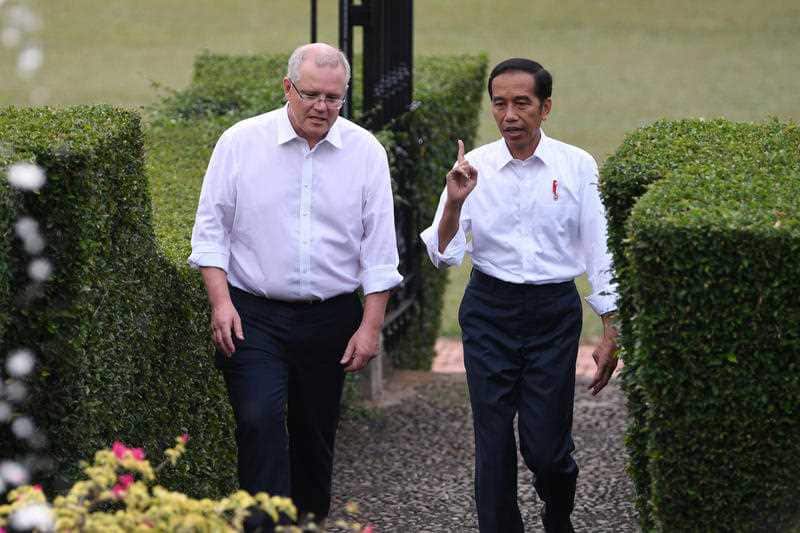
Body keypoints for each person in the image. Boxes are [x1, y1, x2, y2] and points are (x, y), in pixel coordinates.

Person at [188, 43, 402, 527]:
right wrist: (220, 303)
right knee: (258, 420)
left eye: (334, 97)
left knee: (315, 434)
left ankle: (306, 523)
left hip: (330, 317)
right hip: (253, 314)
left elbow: (380, 253)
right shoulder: (241, 142)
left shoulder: (366, 152)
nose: (322, 107)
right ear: (287, 88)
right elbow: (210, 231)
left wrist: (370, 328)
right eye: (311, 95)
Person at [420, 58, 619, 533]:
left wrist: (612, 324)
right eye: (500, 103)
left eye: (521, 103)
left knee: (546, 448)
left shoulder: (577, 165)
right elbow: (443, 253)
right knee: (492, 438)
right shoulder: (473, 169)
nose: (509, 115)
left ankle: (557, 509)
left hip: (554, 312)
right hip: (489, 309)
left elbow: (599, 245)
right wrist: (453, 201)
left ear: (545, 107)